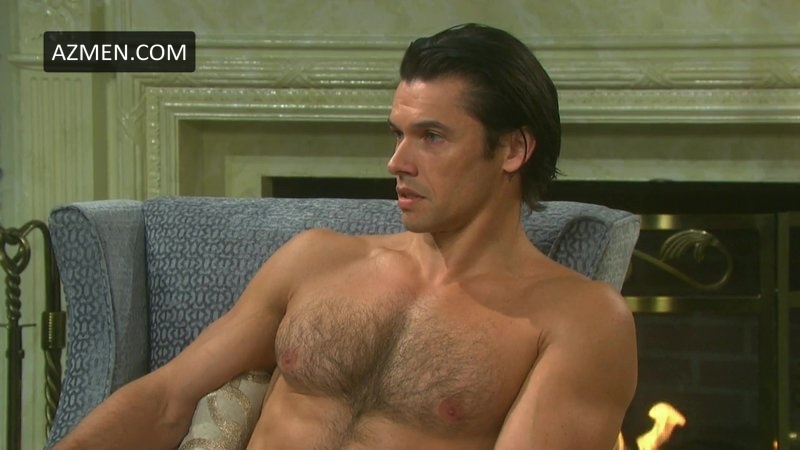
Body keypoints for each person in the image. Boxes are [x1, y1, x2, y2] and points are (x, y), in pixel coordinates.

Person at [54, 23, 637, 449]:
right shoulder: (316, 260)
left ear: (513, 149)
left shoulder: (579, 320)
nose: (397, 161)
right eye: (397, 133)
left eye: (432, 137)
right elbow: (165, 400)